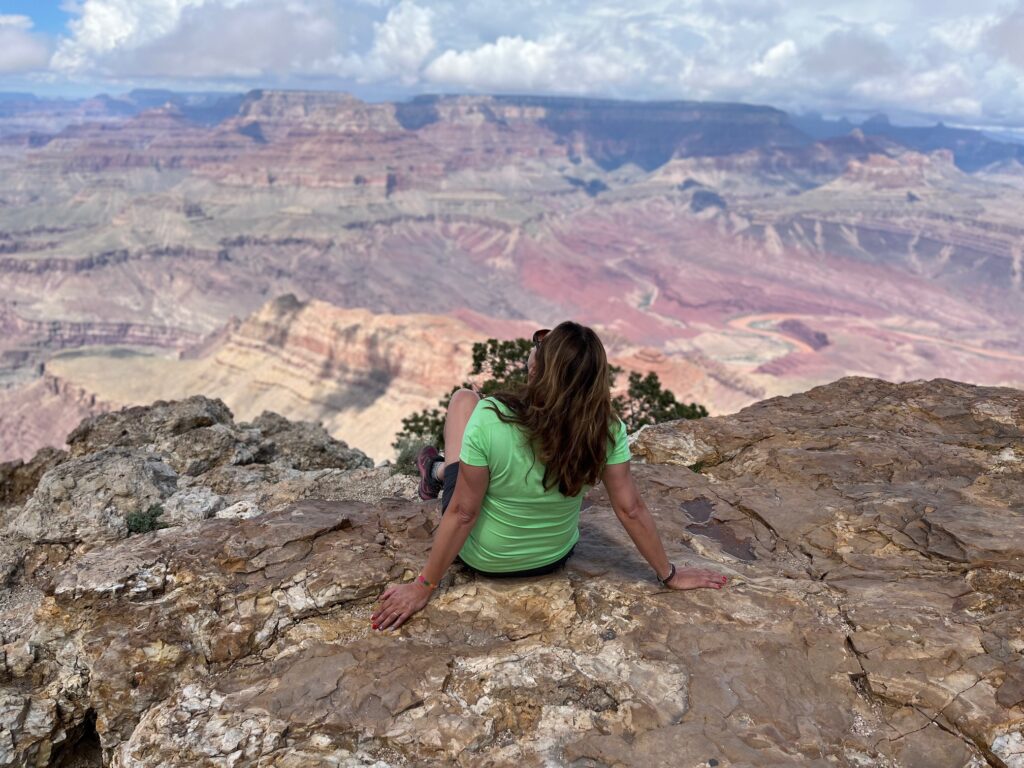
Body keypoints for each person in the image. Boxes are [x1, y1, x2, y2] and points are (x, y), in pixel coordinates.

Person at [371, 322, 727, 631]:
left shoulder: (491, 416)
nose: (534, 346)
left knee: (464, 399)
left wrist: (423, 585)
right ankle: (435, 470)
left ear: (537, 369)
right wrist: (670, 574)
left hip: (483, 559)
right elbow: (630, 509)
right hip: (552, 558)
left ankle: (435, 471)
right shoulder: (607, 428)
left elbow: (464, 512)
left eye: (540, 345)